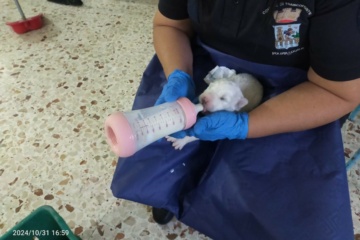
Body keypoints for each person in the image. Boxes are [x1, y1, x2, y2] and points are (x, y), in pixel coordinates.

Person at [111, 0, 360, 239]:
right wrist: (178, 75)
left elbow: (337, 91)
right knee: (155, 157)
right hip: (208, 67)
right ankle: (175, 191)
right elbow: (170, 25)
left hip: (295, 91)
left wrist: (246, 125)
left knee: (271, 204)